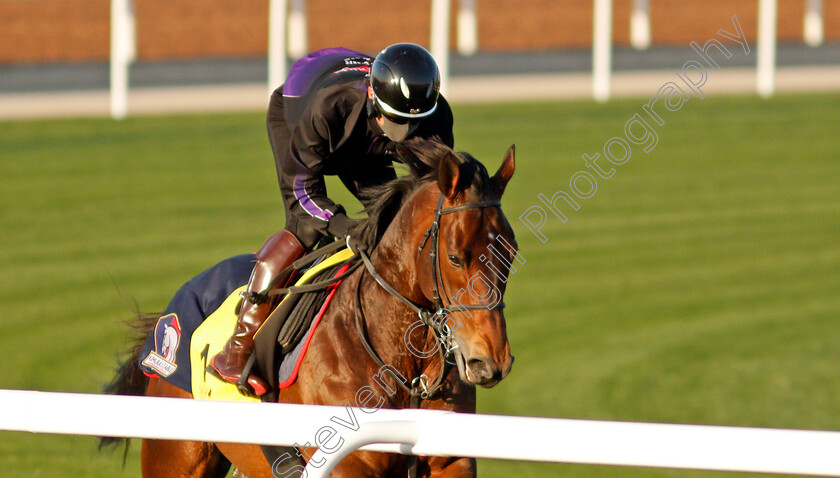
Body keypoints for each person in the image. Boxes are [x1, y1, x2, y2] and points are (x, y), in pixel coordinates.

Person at [208, 43, 455, 396]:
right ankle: (239, 343)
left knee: (401, 224)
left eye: (411, 125)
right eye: (395, 121)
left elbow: (432, 194)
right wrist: (346, 229)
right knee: (306, 226)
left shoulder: (435, 115)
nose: (402, 132)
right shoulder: (329, 109)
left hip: (363, 138)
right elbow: (303, 193)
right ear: (373, 97)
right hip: (303, 116)